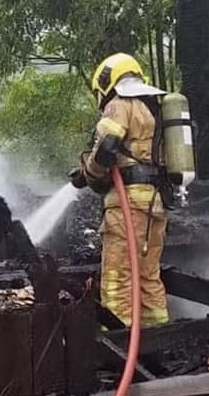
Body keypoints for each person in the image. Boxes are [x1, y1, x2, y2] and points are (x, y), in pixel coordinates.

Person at [69, 53, 172, 328]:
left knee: (117, 279)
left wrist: (90, 173)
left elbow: (106, 146)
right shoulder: (156, 106)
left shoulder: (120, 103)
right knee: (148, 276)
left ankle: (120, 342)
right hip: (155, 202)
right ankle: (158, 336)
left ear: (107, 80)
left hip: (127, 204)